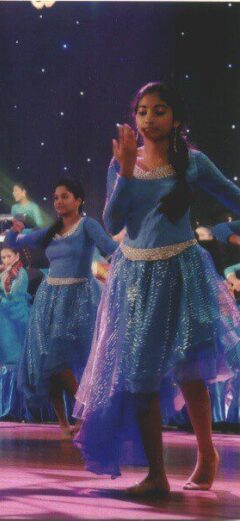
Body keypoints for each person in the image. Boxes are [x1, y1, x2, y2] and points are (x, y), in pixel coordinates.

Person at [74, 82, 240, 496]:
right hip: (135, 277)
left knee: (190, 370)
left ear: (176, 118)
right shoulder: (121, 163)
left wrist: (225, 232)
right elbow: (112, 222)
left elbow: (234, 197)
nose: (149, 119)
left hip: (182, 270)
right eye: (143, 111)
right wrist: (126, 170)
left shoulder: (193, 162)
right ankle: (156, 475)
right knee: (139, 374)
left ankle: (207, 454)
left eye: (159, 110)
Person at [5, 179, 117, 438]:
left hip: (78, 299)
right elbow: (16, 242)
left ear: (78, 200)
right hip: (49, 298)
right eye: (56, 197)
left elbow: (111, 248)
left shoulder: (87, 225)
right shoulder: (51, 230)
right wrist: (13, 230)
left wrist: (136, 252)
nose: (58, 201)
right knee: (49, 362)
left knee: (61, 360)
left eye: (65, 196)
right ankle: (65, 423)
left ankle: (87, 415)